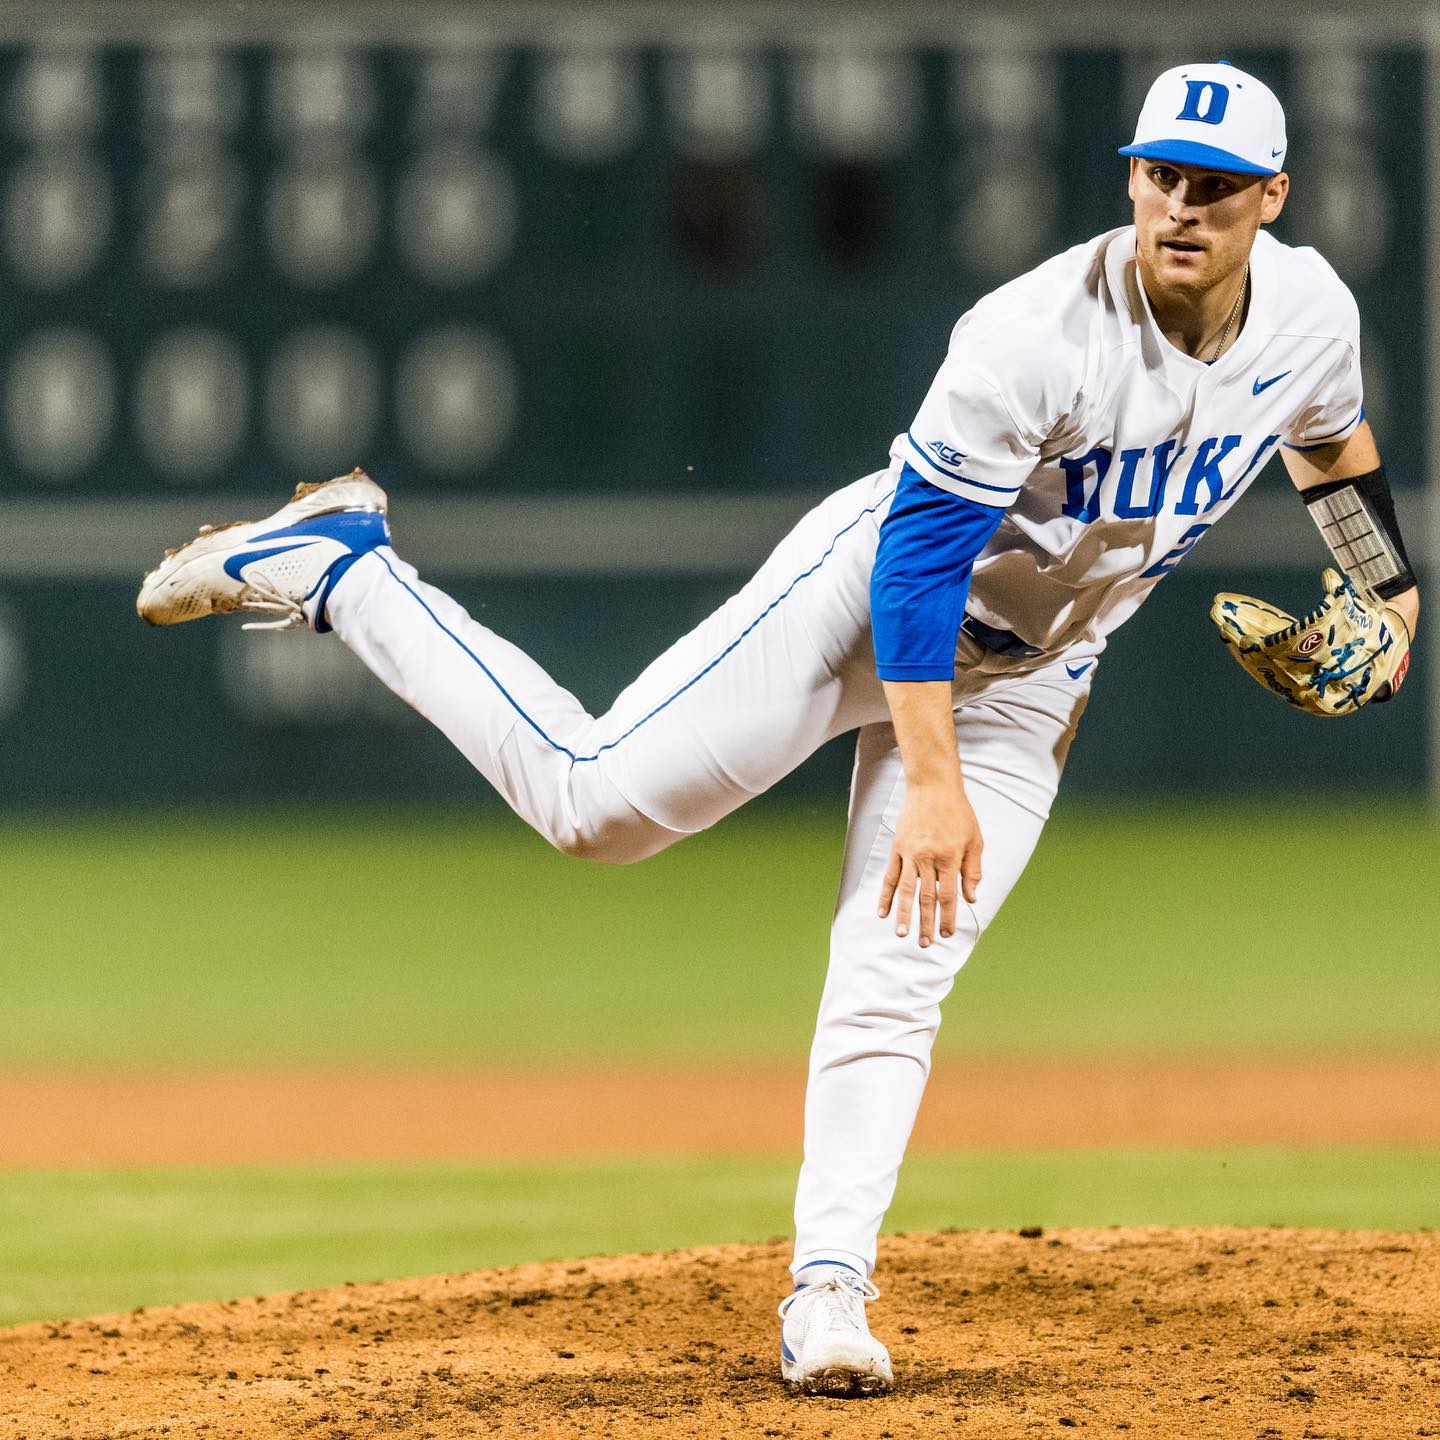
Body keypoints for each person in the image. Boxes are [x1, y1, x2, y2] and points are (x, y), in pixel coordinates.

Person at [136, 61, 1419, 1396]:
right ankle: (346, 565)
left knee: (899, 961)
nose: (1182, 208)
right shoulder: (1034, 333)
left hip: (1039, 667)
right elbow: (921, 567)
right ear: (1133, 180)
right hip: (870, 603)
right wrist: (931, 784)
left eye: (1215, 187)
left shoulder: (1311, 314)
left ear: (1272, 196)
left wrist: (1388, 598)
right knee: (594, 806)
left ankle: (828, 1294)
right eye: (1161, 177)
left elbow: (1330, 445)